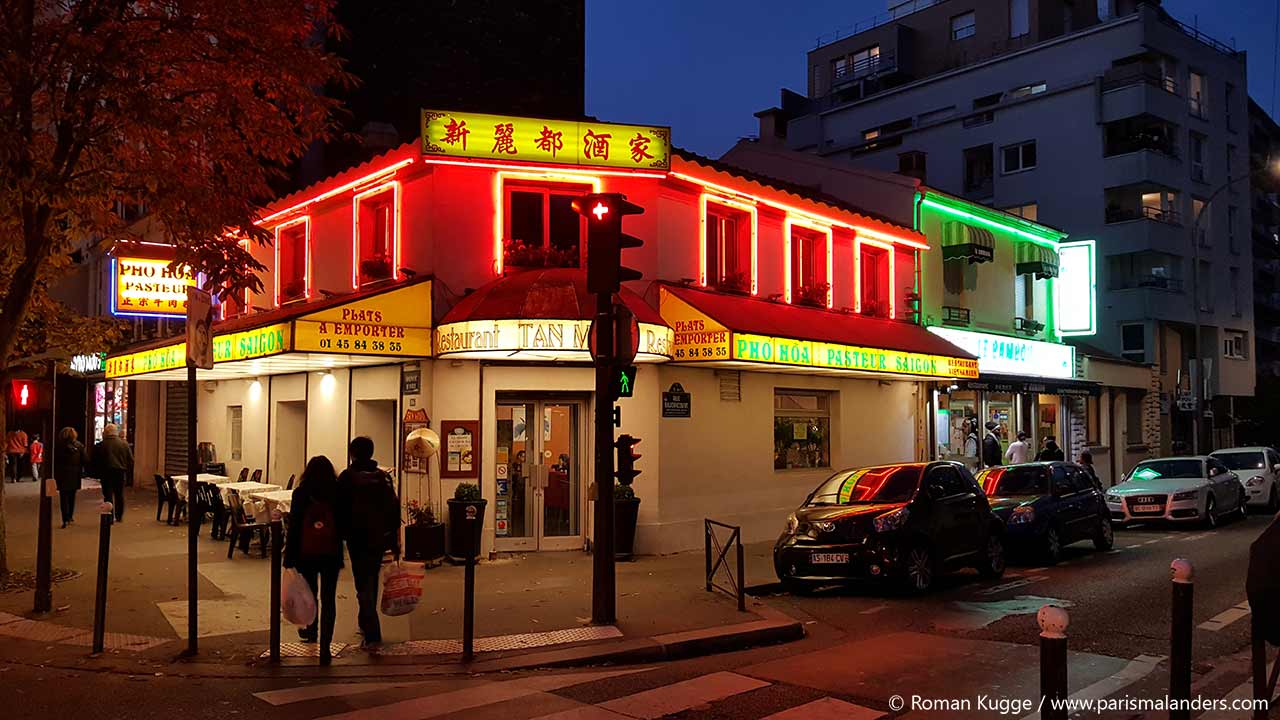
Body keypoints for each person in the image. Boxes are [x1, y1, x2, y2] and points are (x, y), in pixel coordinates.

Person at [336, 436, 400, 646]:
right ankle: (366, 620)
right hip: (378, 536)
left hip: (356, 537)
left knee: (361, 580)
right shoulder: (382, 477)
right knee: (371, 576)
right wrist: (393, 538)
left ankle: (371, 629)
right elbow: (393, 508)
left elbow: (339, 509)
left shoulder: (346, 478)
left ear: (353, 453)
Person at [284, 456, 343, 665]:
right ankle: (326, 647)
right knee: (329, 599)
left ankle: (312, 632)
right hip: (331, 554)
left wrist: (288, 557)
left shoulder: (300, 493)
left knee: (310, 596)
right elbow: (343, 524)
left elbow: (294, 528)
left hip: (306, 554)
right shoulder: (337, 492)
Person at [94, 423, 133, 522]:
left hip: (106, 473)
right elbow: (130, 460)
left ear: (105, 433)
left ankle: (109, 516)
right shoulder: (124, 444)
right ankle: (119, 516)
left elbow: (95, 460)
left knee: (107, 495)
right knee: (119, 494)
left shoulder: (101, 445)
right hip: (120, 472)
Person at [54, 428, 87, 527]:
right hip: (75, 473)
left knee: (63, 496)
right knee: (72, 495)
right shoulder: (79, 446)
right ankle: (70, 516)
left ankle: (65, 518)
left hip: (62, 474)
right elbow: (85, 459)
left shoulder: (59, 446)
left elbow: (55, 460)